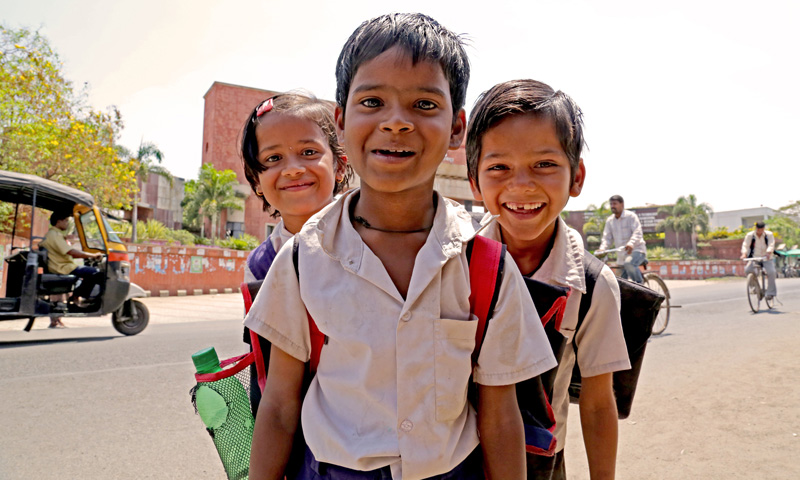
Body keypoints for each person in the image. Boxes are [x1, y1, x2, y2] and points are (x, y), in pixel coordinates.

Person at [245, 13, 556, 480]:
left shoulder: (485, 266)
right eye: (372, 101)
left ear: (457, 128)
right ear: (341, 121)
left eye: (424, 104)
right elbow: (280, 408)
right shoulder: (302, 259)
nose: (397, 123)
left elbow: (500, 415)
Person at [466, 79, 630, 480]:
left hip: (540, 464)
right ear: (474, 182)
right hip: (458, 462)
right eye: (499, 167)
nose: (521, 185)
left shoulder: (592, 285)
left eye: (544, 164)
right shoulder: (454, 263)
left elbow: (596, 403)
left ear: (577, 178)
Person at [240, 92, 352, 283]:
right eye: (274, 158)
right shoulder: (261, 267)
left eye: (308, 152)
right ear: (256, 179)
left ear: (339, 166)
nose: (292, 170)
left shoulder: (373, 235)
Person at [38, 210, 104, 314]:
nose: (67, 223)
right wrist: (93, 255)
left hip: (64, 266)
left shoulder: (55, 234)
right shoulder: (54, 235)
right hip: (63, 268)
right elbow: (71, 252)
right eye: (66, 221)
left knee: (89, 272)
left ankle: (76, 297)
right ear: (59, 221)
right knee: (95, 273)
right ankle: (75, 297)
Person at [598, 195, 646, 283]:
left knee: (629, 263)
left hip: (637, 251)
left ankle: (641, 287)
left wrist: (631, 243)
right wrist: (602, 249)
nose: (612, 206)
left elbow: (637, 232)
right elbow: (607, 238)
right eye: (611, 204)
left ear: (622, 204)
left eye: (615, 203)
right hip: (621, 256)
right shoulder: (610, 221)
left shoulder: (631, 216)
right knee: (618, 282)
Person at [740, 221, 777, 300]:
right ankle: (755, 288)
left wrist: (768, 252)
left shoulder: (769, 234)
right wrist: (744, 254)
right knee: (748, 270)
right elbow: (745, 245)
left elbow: (771, 244)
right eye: (758, 229)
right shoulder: (750, 235)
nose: (760, 231)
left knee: (771, 272)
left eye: (761, 229)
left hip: (767, 258)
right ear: (756, 228)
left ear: (764, 228)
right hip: (755, 257)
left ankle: (770, 293)